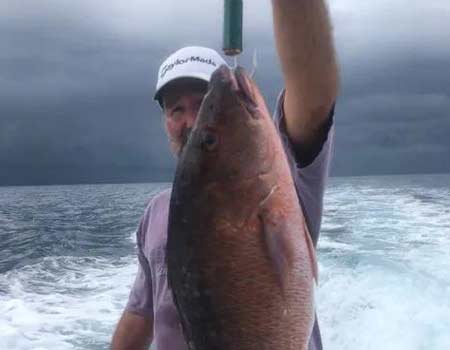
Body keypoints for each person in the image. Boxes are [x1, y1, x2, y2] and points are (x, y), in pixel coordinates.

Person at [111, 1, 338, 349]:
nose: (190, 121)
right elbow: (141, 314)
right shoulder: (156, 213)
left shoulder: (286, 179)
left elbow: (315, 93)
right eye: (176, 109)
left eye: (204, 104)